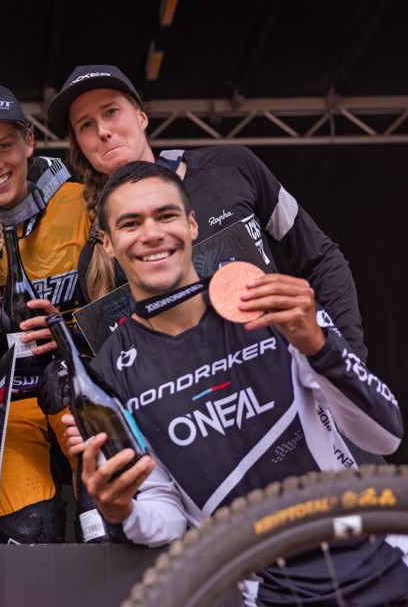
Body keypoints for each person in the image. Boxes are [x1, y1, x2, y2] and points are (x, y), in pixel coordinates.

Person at [62, 160, 408, 605]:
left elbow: (384, 434)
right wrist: (122, 509)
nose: (151, 234)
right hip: (270, 593)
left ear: (191, 224)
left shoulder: (265, 301)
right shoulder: (108, 372)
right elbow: (167, 512)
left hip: (382, 563)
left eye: (165, 215)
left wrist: (321, 346)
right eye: (131, 223)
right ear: (107, 245)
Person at [45, 64, 368, 360]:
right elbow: (125, 360)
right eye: (86, 125)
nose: (103, 130)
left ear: (141, 116)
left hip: (287, 379)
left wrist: (346, 358)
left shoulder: (232, 166)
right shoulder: (101, 250)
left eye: (111, 111)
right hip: (202, 411)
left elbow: (321, 259)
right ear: (80, 146)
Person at [0, 83, 89, 542]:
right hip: (11, 404)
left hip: (88, 387)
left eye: (5, 146)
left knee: (107, 523)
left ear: (29, 142)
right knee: (27, 534)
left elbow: (127, 308)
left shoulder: (86, 202)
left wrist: (70, 335)